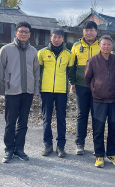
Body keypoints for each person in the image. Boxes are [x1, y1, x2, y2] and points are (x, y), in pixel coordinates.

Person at [0, 21, 40, 163]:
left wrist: (35, 89)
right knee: (10, 122)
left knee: (23, 122)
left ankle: (19, 149)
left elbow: (36, 72)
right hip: (12, 91)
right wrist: (3, 89)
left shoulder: (33, 51)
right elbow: (0, 70)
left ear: (29, 34)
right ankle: (9, 149)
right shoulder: (6, 49)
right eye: (21, 31)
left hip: (27, 91)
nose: (23, 34)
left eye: (26, 32)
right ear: (16, 33)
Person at [84, 35, 115, 168]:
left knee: (113, 129)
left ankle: (111, 153)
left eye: (108, 44)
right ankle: (99, 155)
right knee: (98, 129)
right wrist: (95, 89)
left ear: (112, 46)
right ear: (99, 46)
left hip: (113, 100)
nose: (106, 47)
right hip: (98, 100)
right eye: (104, 44)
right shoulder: (93, 60)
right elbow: (87, 78)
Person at [38, 29, 74, 158]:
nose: (57, 39)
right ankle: (48, 145)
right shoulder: (42, 53)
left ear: (63, 38)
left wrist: (72, 85)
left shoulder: (68, 54)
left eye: (59, 37)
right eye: (54, 37)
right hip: (46, 90)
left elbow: (70, 73)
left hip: (61, 91)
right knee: (46, 119)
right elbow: (38, 72)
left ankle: (61, 146)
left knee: (61, 119)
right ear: (50, 37)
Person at [70, 21, 100, 155]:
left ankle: (97, 145)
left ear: (96, 32)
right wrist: (72, 82)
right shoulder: (76, 46)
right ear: (83, 32)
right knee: (82, 115)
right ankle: (79, 143)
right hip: (81, 86)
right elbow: (72, 66)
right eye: (86, 30)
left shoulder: (102, 45)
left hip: (98, 87)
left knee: (96, 116)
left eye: (91, 30)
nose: (89, 33)